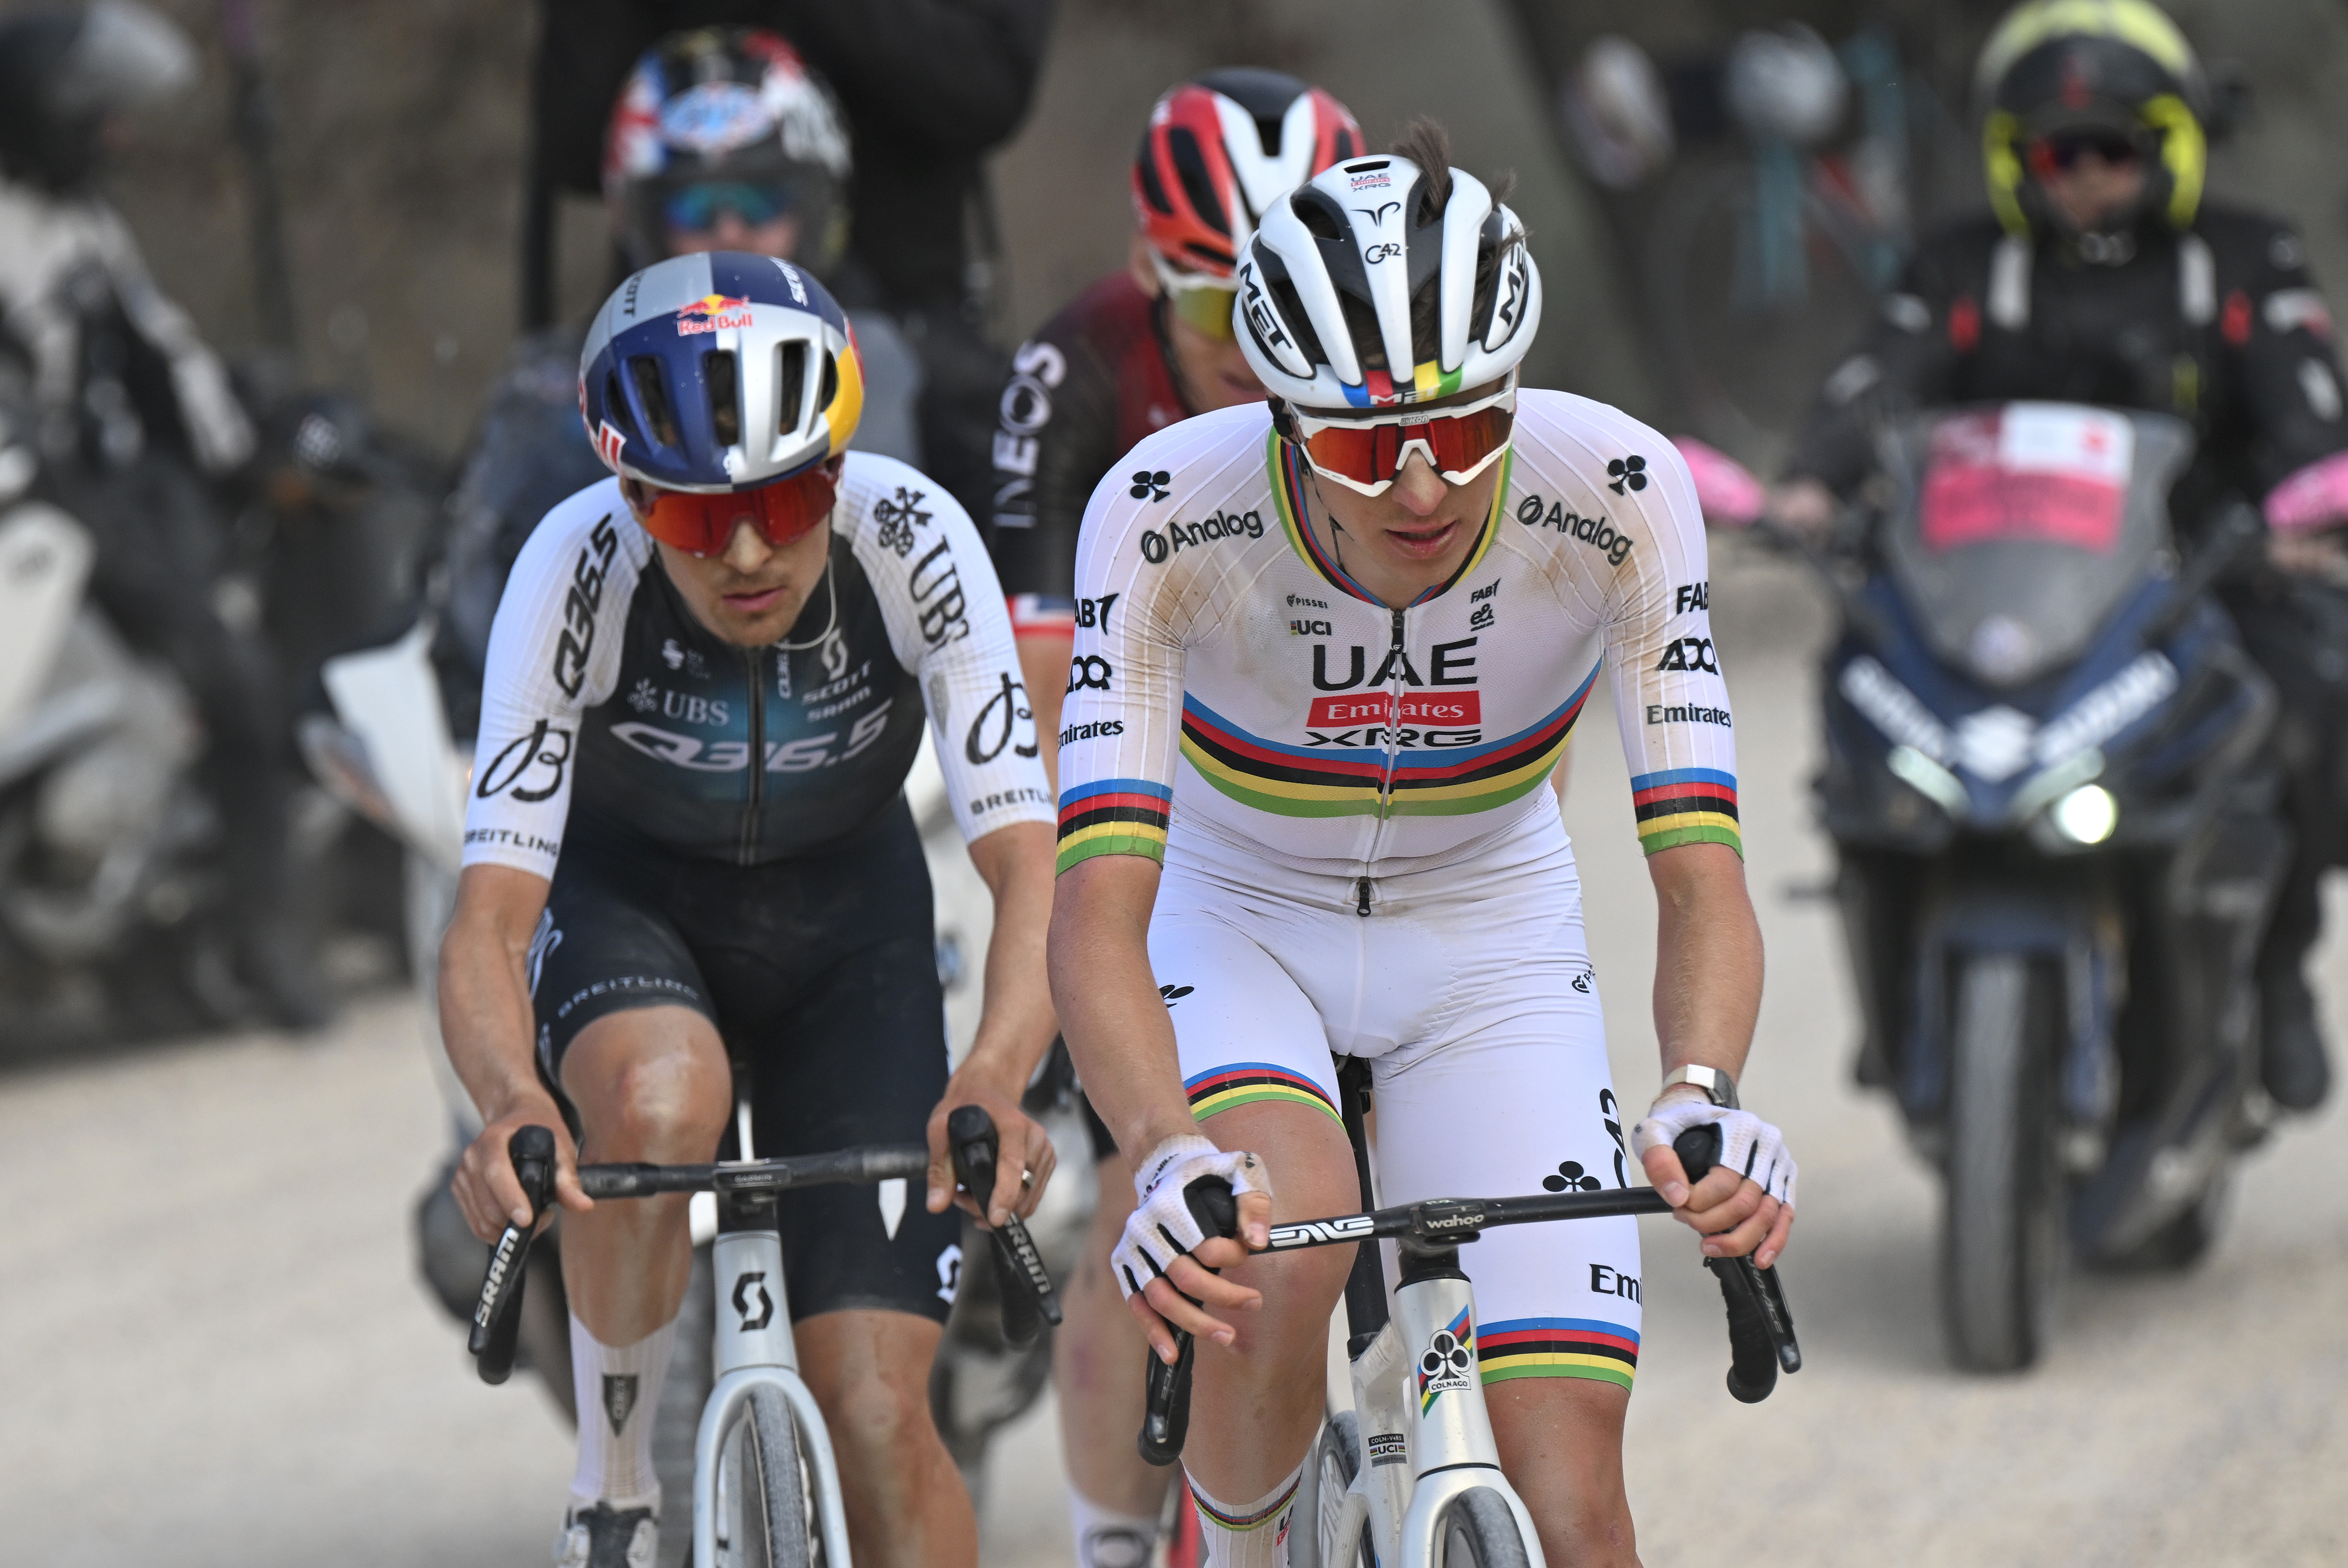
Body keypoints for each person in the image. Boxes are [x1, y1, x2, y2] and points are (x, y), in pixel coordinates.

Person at [1048, 121, 1797, 1568]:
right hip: (1236, 914)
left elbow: (1698, 866)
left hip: (1484, 941)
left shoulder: (1617, 495)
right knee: (1277, 1249)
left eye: (1463, 430)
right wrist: (1156, 1150)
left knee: (1577, 1511)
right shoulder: (1158, 518)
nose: (1418, 487)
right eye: (1358, 441)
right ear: (1276, 419)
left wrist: (1702, 1092)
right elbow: (1095, 912)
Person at [440, 249, 1060, 1568]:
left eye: (787, 496)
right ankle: (615, 1486)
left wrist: (1000, 1074)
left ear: (837, 467)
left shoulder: (913, 540)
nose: (743, 549)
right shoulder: (572, 568)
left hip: (854, 936)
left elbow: (1030, 864)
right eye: (684, 514)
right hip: (633, 911)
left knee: (886, 1420)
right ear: (627, 496)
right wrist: (509, 1098)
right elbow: (492, 911)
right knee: (665, 1098)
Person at [1770, 0, 2348, 1112]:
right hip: (2002, 591)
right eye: (2057, 153)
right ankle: (1892, 956)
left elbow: (2308, 414)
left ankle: (2275, 969)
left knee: (2309, 695)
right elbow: (1871, 383)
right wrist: (1810, 486)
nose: (2086, 175)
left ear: (2169, 146)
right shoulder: (1956, 264)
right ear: (2014, 160)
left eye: (2115, 149)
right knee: (1859, 686)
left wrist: (2307, 508)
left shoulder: (2244, 256)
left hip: (2204, 584)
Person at [977, 67, 1364, 1568]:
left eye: (1285, 312)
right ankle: (1112, 1541)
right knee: (1151, 1193)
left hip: (1335, 816)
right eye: (1216, 318)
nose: (1255, 357)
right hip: (1150, 814)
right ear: (1149, 278)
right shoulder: (1072, 368)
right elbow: (1024, 661)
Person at [0, 0, 329, 1025]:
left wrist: (249, 451)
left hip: (90, 493)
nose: (120, 135)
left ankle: (259, 931)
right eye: (102, 115)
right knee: (233, 678)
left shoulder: (81, 222)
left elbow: (169, 360)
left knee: (230, 672)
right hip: (43, 496)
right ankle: (266, 941)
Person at [441, 26, 921, 713]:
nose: (729, 231)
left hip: (859, 715)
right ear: (637, 217)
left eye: (761, 202)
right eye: (692, 207)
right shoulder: (552, 391)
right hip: (617, 729)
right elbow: (481, 596)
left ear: (817, 205)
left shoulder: (904, 362)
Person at [522, 0, 1057, 516]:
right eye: (707, 213)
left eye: (755, 210)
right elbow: (570, 143)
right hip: (664, 317)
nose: (730, 232)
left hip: (899, 310)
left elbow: (988, 84)